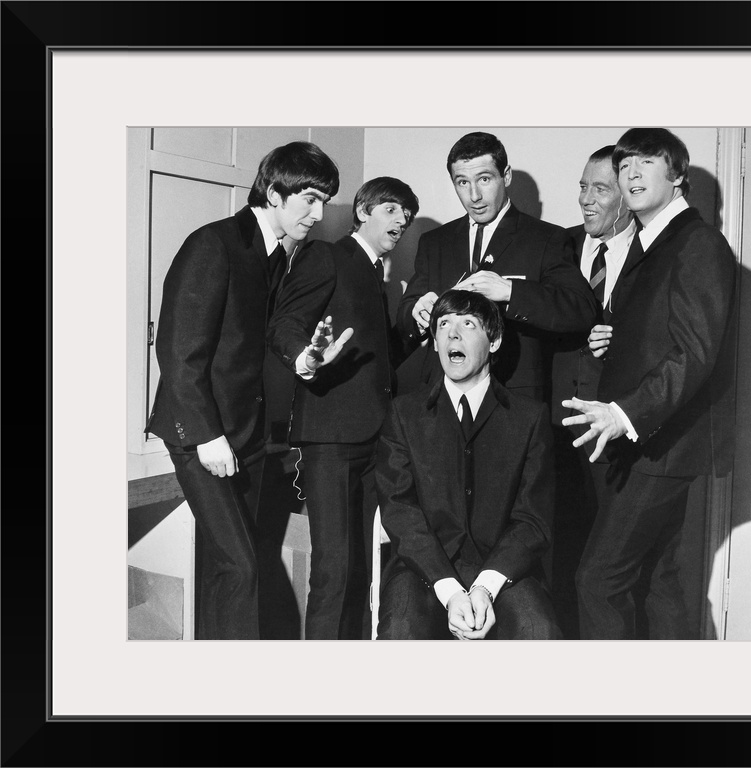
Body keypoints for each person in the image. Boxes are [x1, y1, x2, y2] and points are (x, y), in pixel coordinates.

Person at [145, 141, 342, 640]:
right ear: (274, 193)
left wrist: (304, 358)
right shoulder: (213, 244)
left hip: (247, 433)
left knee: (225, 567)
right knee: (243, 568)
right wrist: (207, 437)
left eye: (324, 202)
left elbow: (272, 332)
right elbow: (177, 351)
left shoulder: (275, 254)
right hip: (203, 431)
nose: (318, 215)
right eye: (310, 200)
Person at [562, 128, 737, 640]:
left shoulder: (697, 243)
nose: (631, 173)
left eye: (646, 162)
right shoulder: (649, 243)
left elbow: (695, 353)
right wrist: (615, 341)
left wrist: (622, 414)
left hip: (663, 448)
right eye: (624, 165)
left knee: (596, 580)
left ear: (677, 175)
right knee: (662, 582)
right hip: (650, 447)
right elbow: (663, 335)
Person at [267, 176, 419, 640]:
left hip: (373, 438)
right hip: (330, 438)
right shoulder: (326, 255)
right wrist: (305, 358)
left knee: (360, 567)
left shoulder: (377, 275)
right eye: (392, 209)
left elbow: (378, 359)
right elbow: (286, 323)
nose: (402, 220)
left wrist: (415, 328)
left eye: (407, 214)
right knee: (333, 571)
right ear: (363, 212)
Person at [376, 289, 562, 640]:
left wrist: (485, 587)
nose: (453, 334)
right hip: (422, 571)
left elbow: (533, 520)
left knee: (540, 633)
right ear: (434, 342)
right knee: (400, 632)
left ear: (494, 341)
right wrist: (449, 589)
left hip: (505, 573)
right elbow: (399, 511)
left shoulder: (529, 418)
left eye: (468, 324)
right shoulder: (404, 414)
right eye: (443, 324)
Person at [396, 131, 596, 402]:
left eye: (485, 179)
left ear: (507, 176)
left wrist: (511, 292)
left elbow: (581, 309)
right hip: (442, 398)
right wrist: (417, 313)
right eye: (462, 182)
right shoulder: (434, 242)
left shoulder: (546, 238)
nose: (474, 195)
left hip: (514, 399)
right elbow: (407, 315)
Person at [549, 145, 635, 638]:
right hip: (556, 427)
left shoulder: (651, 254)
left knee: (607, 571)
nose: (585, 199)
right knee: (558, 552)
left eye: (599, 189)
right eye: (583, 186)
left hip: (616, 435)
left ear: (626, 195)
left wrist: (621, 343)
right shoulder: (557, 246)